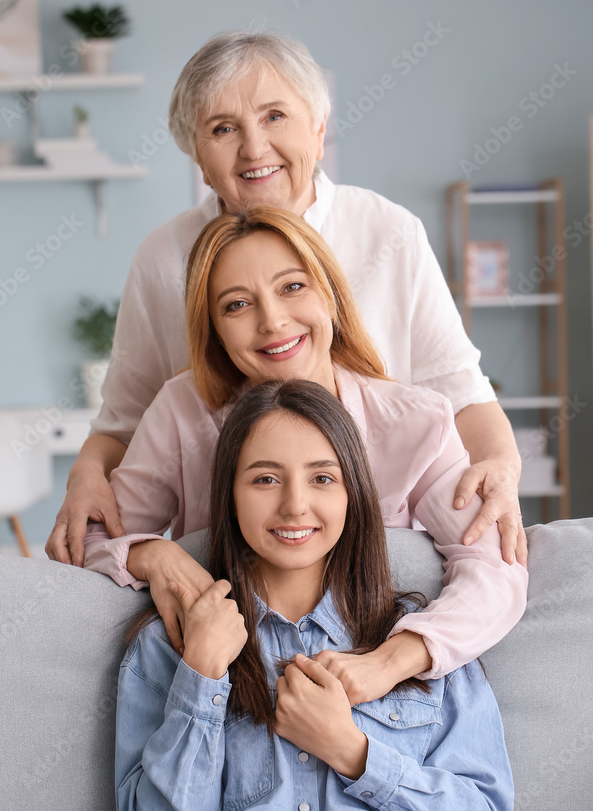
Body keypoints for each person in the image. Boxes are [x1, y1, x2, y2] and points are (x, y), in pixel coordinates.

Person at [46, 29, 526, 571]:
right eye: (223, 129)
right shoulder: (163, 259)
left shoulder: (389, 232)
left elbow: (460, 392)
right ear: (198, 160)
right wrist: (87, 476)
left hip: (375, 551)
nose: (254, 148)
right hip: (224, 564)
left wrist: (503, 465)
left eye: (275, 116)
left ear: (319, 131)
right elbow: (123, 424)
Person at [115, 379, 514, 811]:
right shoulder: (168, 644)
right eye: (265, 479)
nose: (295, 505)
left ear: (353, 493)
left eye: (322, 478)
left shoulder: (418, 641)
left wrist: (354, 754)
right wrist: (202, 673)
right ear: (229, 492)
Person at [84, 207, 527, 700]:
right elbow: (91, 539)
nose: (272, 321)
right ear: (213, 328)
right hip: (229, 690)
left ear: (331, 296)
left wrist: (392, 661)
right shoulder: (182, 413)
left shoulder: (416, 423)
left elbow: (494, 568)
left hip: (369, 696)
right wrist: (153, 555)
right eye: (236, 305)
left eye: (292, 287)